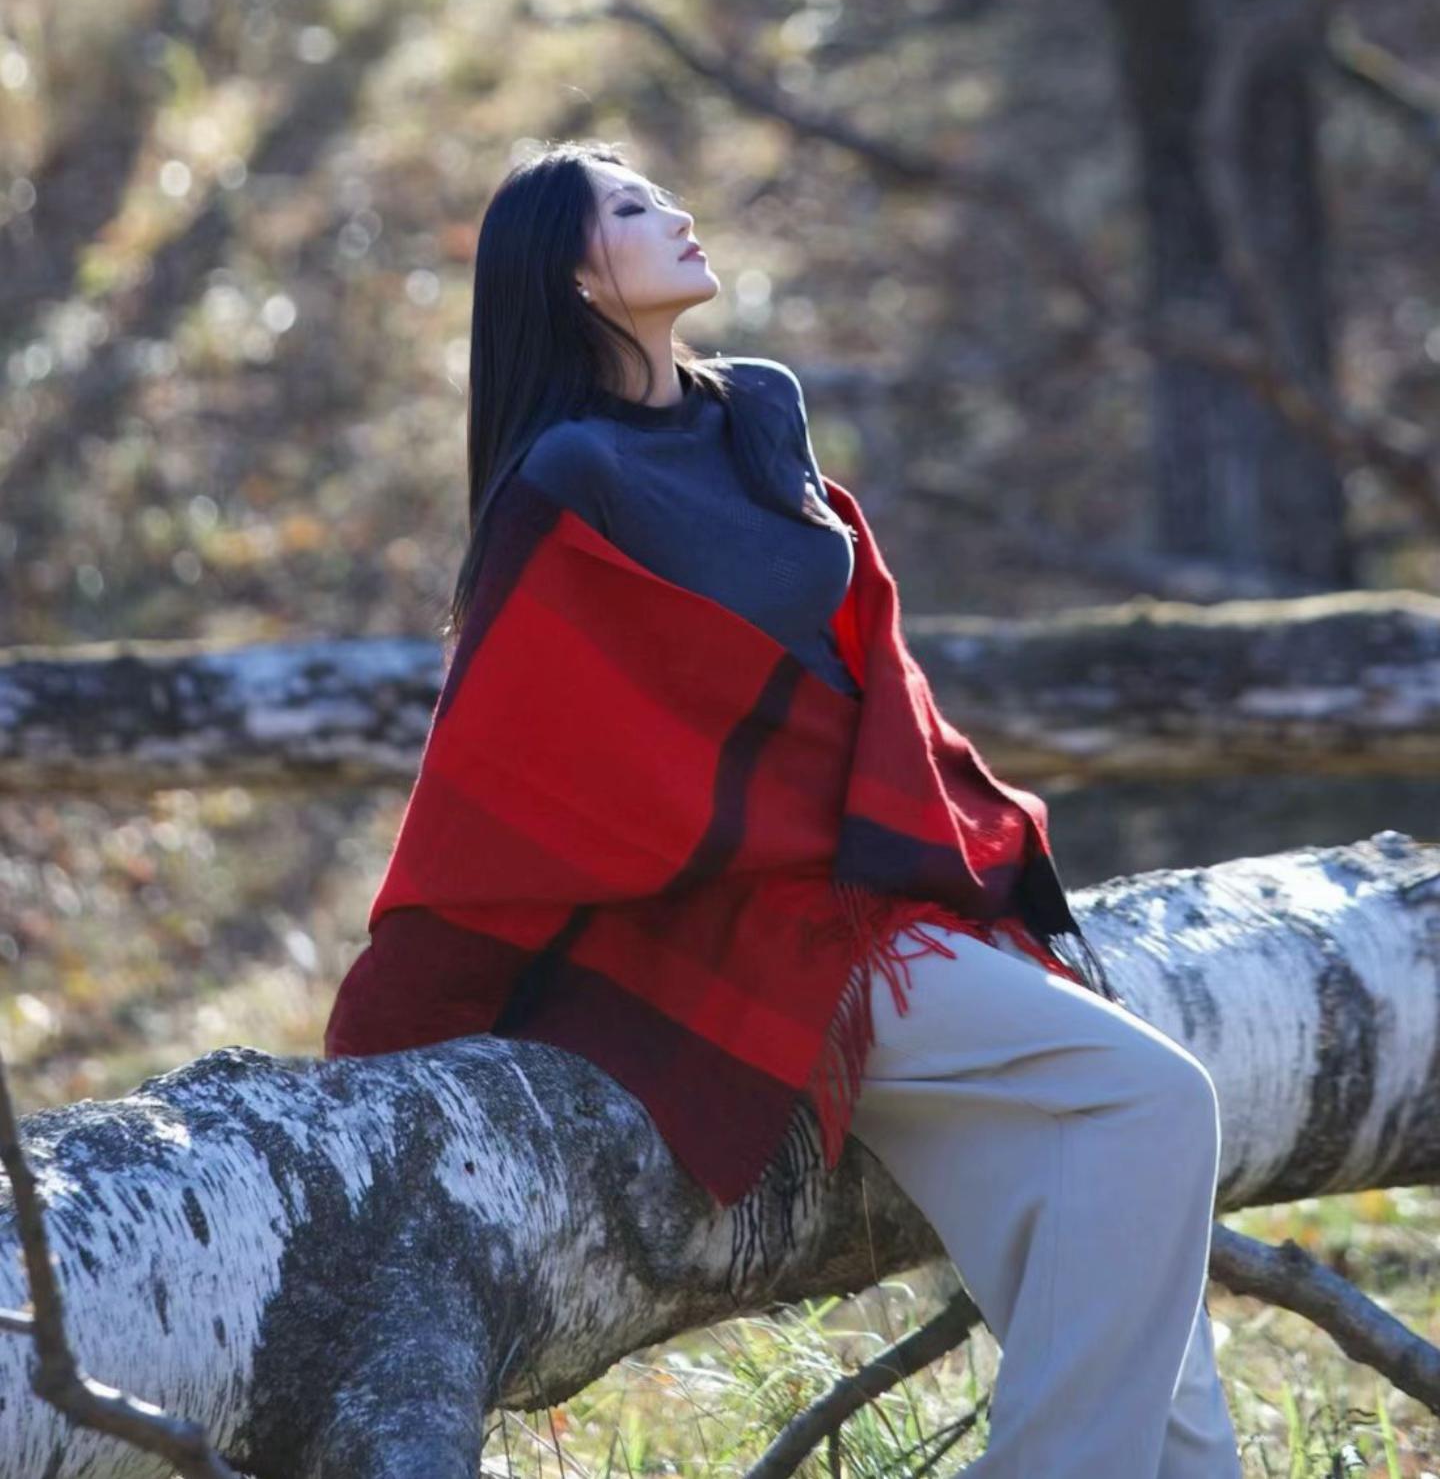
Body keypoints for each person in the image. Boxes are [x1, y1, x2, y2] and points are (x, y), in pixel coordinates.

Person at [325, 138, 1243, 1479]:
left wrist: (948, 849)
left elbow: (871, 670)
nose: (677, 212)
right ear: (575, 274)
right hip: (762, 940)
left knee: (1123, 1260)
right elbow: (506, 780)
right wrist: (374, 1054)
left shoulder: (757, 416)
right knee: (1157, 1102)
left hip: (888, 891)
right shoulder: (566, 483)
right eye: (633, 208)